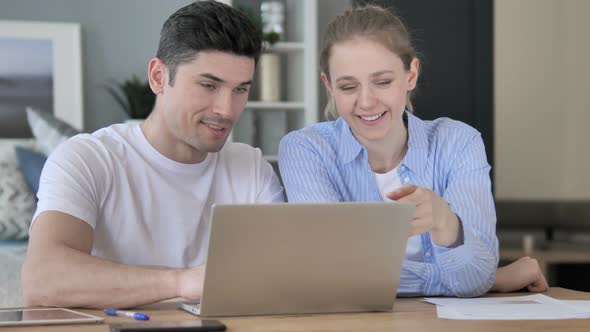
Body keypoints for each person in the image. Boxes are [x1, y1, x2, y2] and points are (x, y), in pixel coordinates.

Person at [21, 0, 283, 309]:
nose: (226, 110)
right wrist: (183, 282)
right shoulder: (87, 158)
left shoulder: (251, 168)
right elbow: (42, 279)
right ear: (158, 77)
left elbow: (280, 278)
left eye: (240, 90)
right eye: (209, 85)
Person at [278, 5, 548, 296]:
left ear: (411, 75)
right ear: (328, 85)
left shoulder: (459, 143)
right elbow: (334, 278)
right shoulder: (306, 150)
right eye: (347, 86)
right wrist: (491, 279)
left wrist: (446, 223)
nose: (366, 102)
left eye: (383, 82)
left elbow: (473, 280)